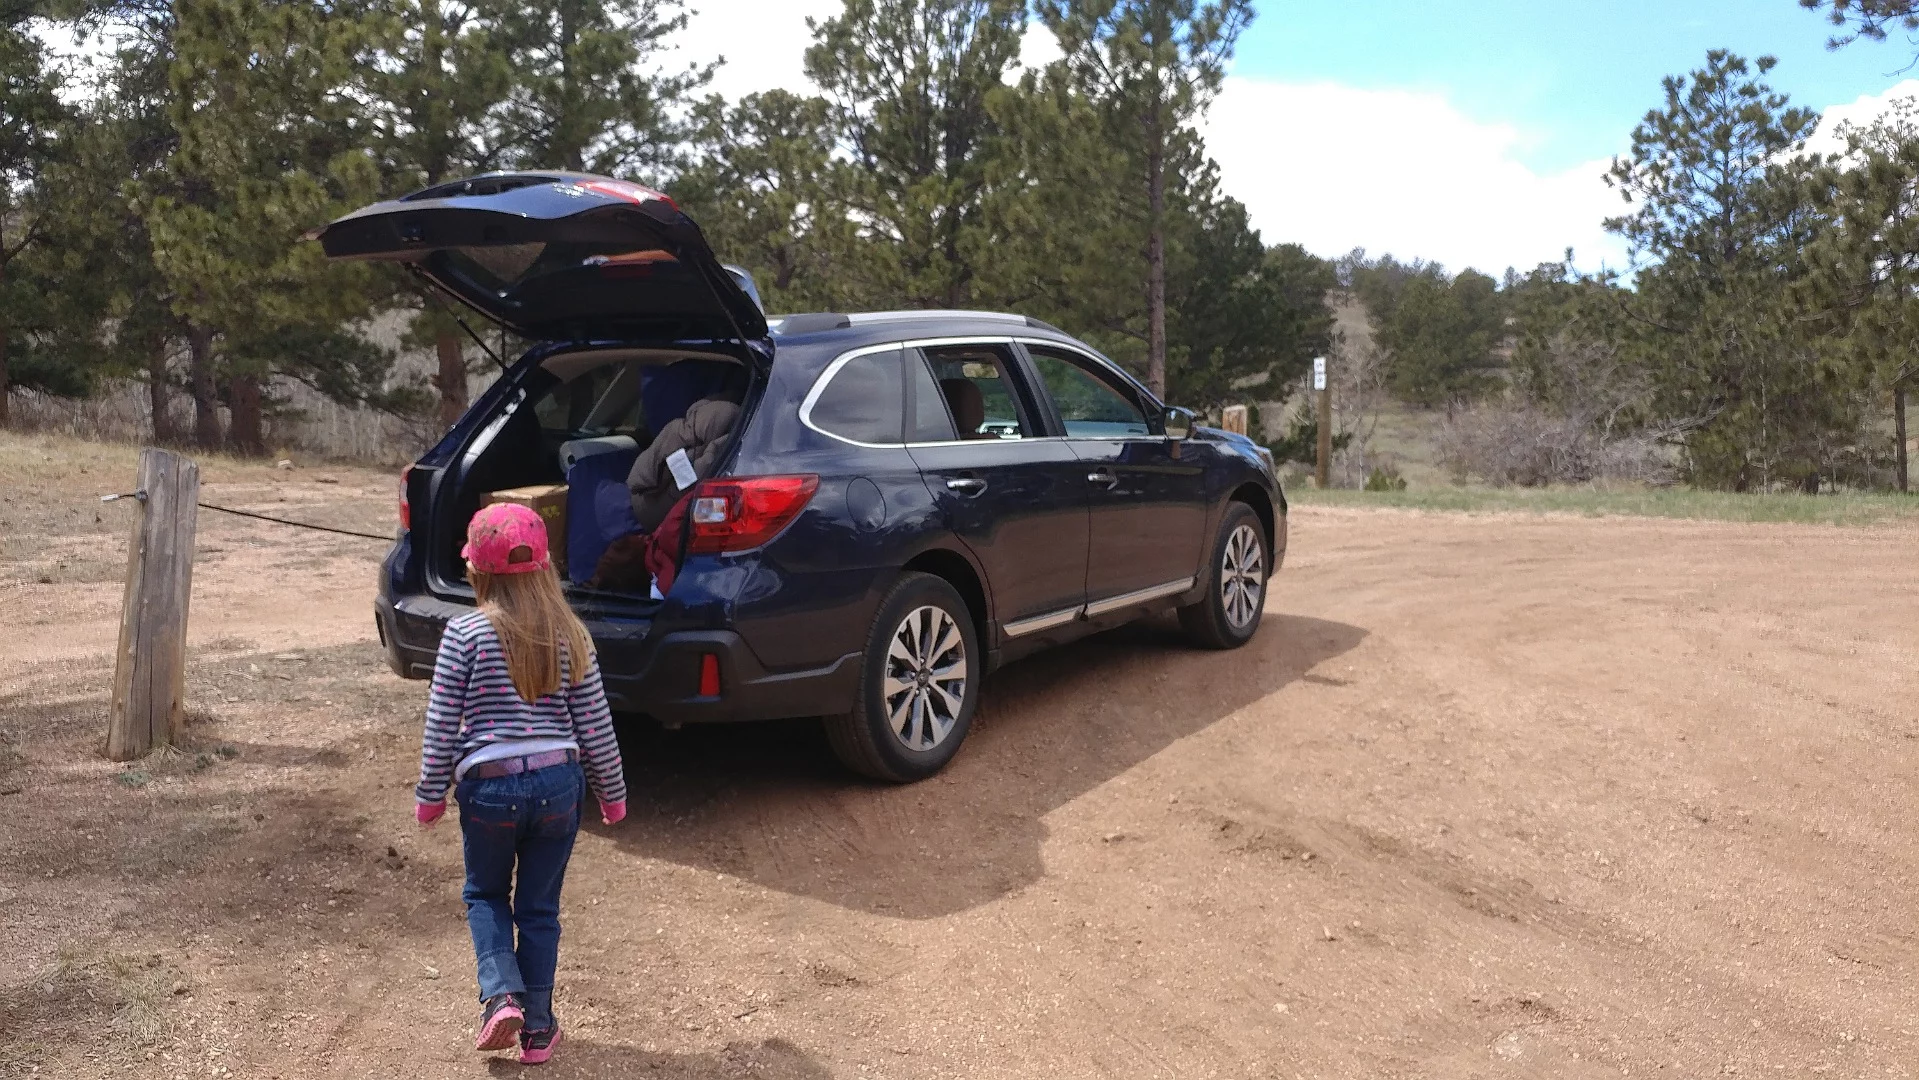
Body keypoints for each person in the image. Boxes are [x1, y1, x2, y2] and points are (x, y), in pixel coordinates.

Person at [413, 502, 628, 1065]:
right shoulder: (571, 636)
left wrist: (430, 794)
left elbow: (441, 724)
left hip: (489, 786)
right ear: (546, 568)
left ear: (476, 572)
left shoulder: (463, 635)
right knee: (538, 908)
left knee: (485, 893)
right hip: (559, 785)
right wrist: (613, 794)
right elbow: (596, 724)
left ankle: (500, 996)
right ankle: (537, 1030)